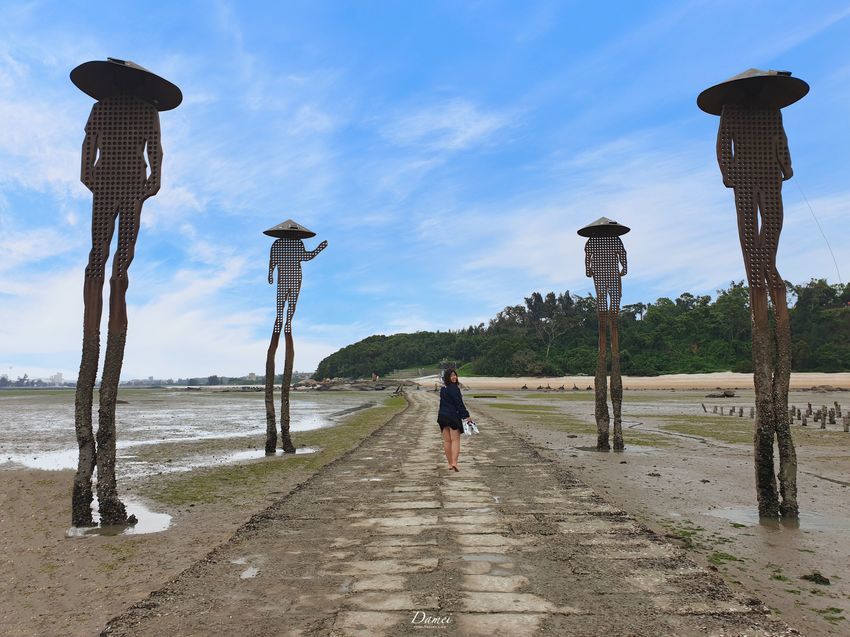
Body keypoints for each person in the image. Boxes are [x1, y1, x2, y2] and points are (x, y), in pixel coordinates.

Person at [437, 368, 471, 472]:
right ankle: (454, 462)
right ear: (447, 377)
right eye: (451, 375)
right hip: (452, 417)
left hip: (442, 417)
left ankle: (449, 464)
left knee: (447, 441)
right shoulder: (454, 388)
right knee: (455, 440)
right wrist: (466, 415)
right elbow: (459, 403)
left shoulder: (443, 389)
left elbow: (442, 404)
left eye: (455, 375)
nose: (454, 377)